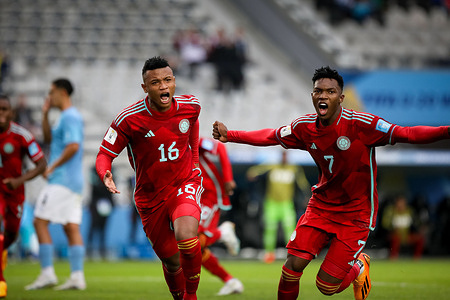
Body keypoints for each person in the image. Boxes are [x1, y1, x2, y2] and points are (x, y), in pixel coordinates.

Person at [212, 66, 450, 300]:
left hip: (356, 212)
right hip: (322, 207)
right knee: (292, 266)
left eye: (330, 91)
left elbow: (406, 133)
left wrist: (446, 131)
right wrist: (230, 135)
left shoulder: (362, 124)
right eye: (318, 91)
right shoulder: (304, 128)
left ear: (341, 98)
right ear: (312, 95)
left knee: (326, 287)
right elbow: (271, 136)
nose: (323, 95)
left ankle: (358, 267)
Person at [95, 56, 203, 300]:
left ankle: (192, 296)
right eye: (155, 83)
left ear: (174, 81)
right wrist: (105, 172)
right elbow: (104, 153)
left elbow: (192, 127)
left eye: (167, 80)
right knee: (172, 260)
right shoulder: (129, 119)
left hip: (184, 183)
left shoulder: (191, 105)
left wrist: (195, 162)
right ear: (145, 88)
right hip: (150, 195)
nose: (163, 87)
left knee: (186, 235)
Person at [25, 78, 86, 291]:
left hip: (62, 179)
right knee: (71, 227)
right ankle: (77, 277)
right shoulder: (63, 117)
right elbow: (51, 139)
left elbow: (73, 146)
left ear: (62, 92)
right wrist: (44, 113)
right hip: (74, 181)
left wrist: (51, 168)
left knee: (39, 221)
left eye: (51, 92)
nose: (49, 96)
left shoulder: (70, 117)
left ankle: (47, 273)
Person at [0, 94, 47, 297]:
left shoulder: (22, 136)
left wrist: (19, 181)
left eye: (4, 109)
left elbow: (42, 164)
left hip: (15, 193)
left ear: (11, 112)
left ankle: (3, 250)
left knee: (11, 233)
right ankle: (1, 281)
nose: (0, 114)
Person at [197, 137, 243, 295]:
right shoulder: (166, 145)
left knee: (195, 241)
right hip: (190, 196)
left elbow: (221, 149)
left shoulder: (193, 140)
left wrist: (228, 179)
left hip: (208, 195)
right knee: (194, 250)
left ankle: (223, 232)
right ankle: (231, 281)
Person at [246, 151, 310, 264]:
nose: (284, 157)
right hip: (271, 203)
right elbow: (256, 170)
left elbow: (303, 183)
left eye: (286, 155)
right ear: (281, 156)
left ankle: (291, 253)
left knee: (290, 229)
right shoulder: (272, 165)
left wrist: (307, 196)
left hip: (286, 204)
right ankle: (269, 253)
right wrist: (253, 173)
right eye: (283, 155)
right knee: (270, 229)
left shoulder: (294, 168)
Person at [381, 194, 424, 259]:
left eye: (403, 202)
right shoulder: (391, 211)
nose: (401, 205)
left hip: (406, 235)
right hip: (394, 234)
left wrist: (418, 228)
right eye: (399, 202)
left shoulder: (409, 211)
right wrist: (392, 228)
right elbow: (385, 224)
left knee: (420, 238)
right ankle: (393, 257)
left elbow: (416, 222)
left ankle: (417, 258)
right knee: (395, 238)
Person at [87, 166, 114, 260]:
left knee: (103, 228)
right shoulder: (94, 169)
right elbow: (93, 185)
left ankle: (102, 250)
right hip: (96, 202)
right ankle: (89, 250)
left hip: (106, 202)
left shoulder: (112, 170)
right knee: (93, 227)